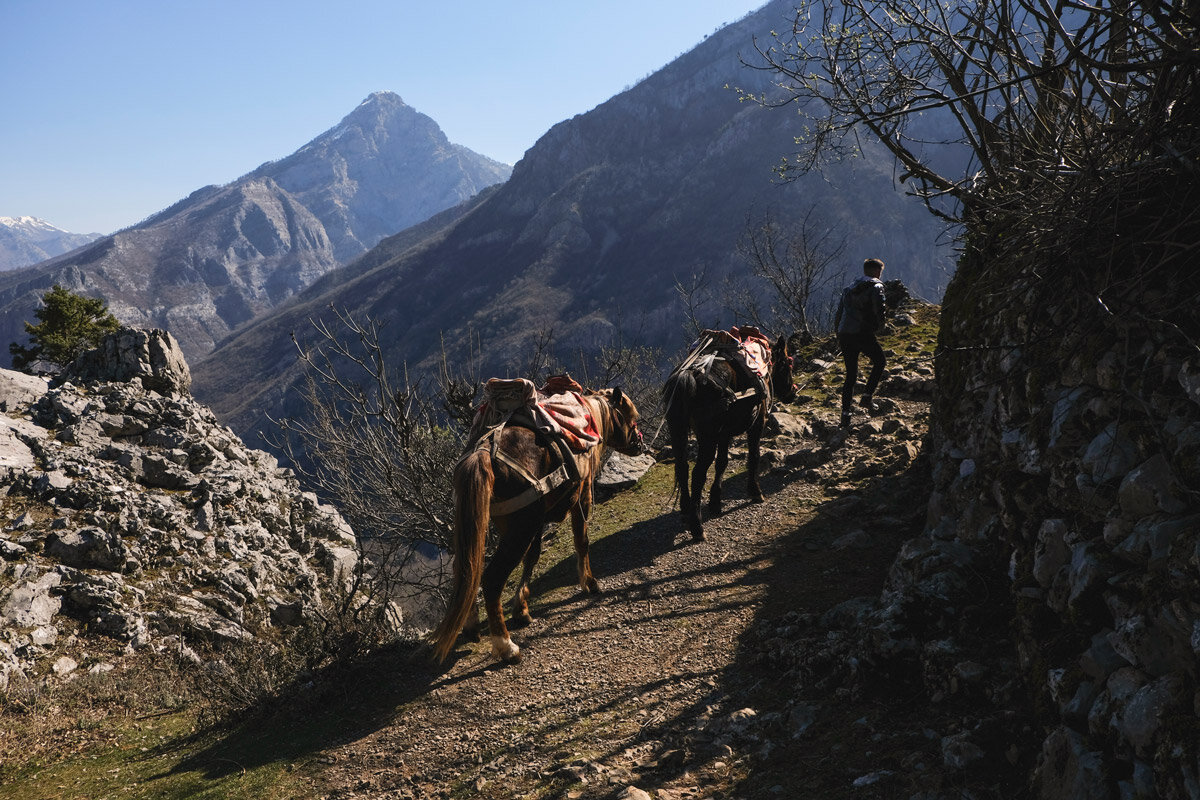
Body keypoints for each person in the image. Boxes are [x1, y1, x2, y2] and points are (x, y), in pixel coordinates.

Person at [834, 258, 887, 428]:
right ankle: (867, 397)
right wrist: (881, 327)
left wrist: (838, 334)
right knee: (880, 361)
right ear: (877, 271)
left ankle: (845, 415)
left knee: (851, 375)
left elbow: (839, 313)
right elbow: (880, 308)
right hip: (863, 332)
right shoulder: (876, 287)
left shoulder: (848, 289)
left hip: (845, 334)